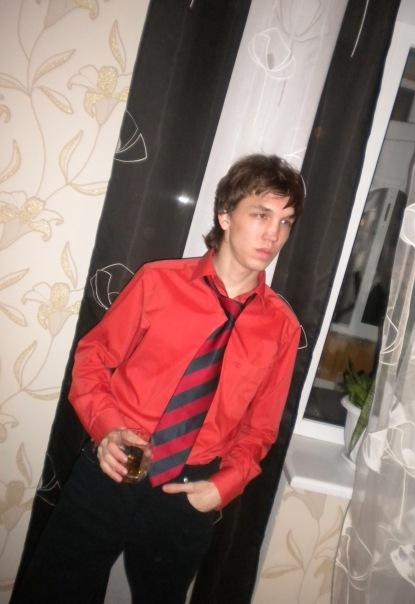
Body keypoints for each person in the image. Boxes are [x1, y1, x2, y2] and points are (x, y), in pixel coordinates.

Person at [12, 154, 305, 604]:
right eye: (261, 215)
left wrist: (224, 485)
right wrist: (108, 429)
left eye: (285, 222)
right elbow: (92, 360)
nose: (274, 235)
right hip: (113, 466)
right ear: (225, 215)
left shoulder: (282, 328)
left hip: (190, 492)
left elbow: (260, 430)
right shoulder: (157, 282)